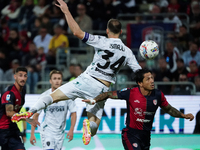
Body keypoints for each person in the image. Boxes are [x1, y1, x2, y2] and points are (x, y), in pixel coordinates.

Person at [11, 0, 141, 146]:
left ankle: (31, 110)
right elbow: (139, 74)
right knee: (94, 126)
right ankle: (88, 126)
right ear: (121, 32)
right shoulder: (128, 53)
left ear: (107, 31)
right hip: (101, 89)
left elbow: (77, 32)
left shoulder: (101, 40)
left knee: (53, 96)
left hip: (85, 79)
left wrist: (66, 11)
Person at [83, 68, 194, 150]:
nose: (152, 81)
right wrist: (94, 100)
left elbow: (169, 109)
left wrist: (183, 116)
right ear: (140, 83)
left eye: (152, 78)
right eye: (148, 79)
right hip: (130, 134)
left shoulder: (158, 95)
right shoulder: (130, 93)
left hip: (146, 136)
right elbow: (109, 94)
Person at [30, 70, 77, 149]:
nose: (57, 81)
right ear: (50, 81)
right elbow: (36, 115)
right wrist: (32, 134)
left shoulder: (68, 96)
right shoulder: (44, 96)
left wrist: (71, 129)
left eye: (59, 78)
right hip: (47, 131)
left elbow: (73, 113)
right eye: (54, 78)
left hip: (60, 133)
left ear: (61, 80)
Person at [0, 66, 39, 150]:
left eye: (25, 76)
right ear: (15, 77)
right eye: (20, 75)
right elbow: (9, 112)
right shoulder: (9, 93)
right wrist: (27, 119)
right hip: (2, 129)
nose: (23, 78)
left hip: (13, 128)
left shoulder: (23, 91)